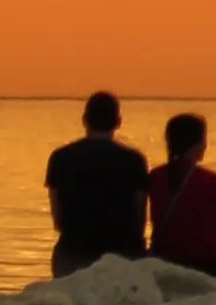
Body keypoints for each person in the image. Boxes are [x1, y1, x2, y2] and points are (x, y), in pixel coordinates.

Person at [44, 90, 149, 276]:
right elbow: (139, 218)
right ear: (118, 122)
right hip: (120, 254)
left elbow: (58, 218)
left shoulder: (60, 158)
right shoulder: (134, 160)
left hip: (72, 251)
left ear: (84, 119)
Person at [149, 112, 216, 284]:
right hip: (207, 267)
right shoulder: (214, 182)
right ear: (198, 144)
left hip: (165, 263)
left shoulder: (155, 177)